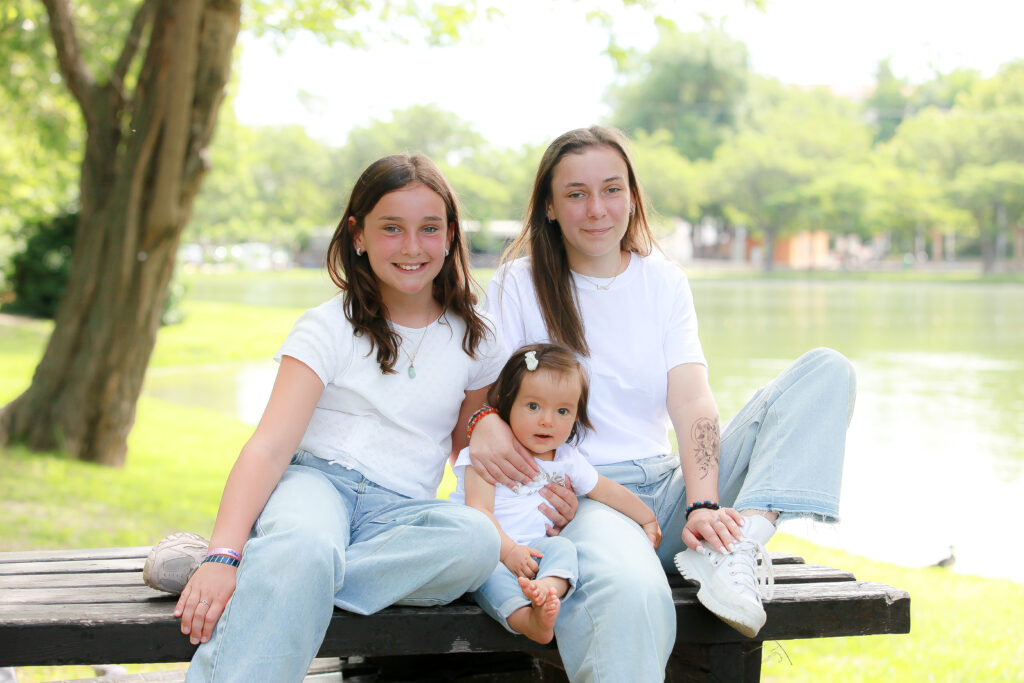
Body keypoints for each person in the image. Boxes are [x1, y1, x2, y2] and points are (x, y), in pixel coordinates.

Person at [469, 126, 856, 681]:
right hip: (586, 497)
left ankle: (737, 544)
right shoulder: (518, 284)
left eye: (612, 189)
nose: (597, 209)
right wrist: (534, 482)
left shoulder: (664, 281)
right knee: (634, 591)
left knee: (825, 371)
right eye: (576, 194)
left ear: (632, 197)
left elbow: (693, 402)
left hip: (668, 487)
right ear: (550, 207)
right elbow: (486, 406)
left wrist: (702, 506)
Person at [144, 154, 506, 682]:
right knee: (306, 544)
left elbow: (466, 447)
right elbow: (269, 446)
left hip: (399, 516)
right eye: (391, 228)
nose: (412, 246)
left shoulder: (477, 337)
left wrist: (487, 431)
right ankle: (275, 564)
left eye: (429, 228)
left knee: (476, 542)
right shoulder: (328, 327)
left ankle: (273, 572)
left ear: (450, 236)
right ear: (358, 235)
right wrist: (222, 553)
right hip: (317, 486)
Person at [450, 343, 661, 644]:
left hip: (536, 550)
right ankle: (527, 620)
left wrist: (648, 518)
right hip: (491, 549)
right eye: (533, 406)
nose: (547, 420)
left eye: (562, 411)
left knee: (564, 549)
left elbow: (607, 490)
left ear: (576, 416)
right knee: (489, 576)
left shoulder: (566, 459)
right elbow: (479, 511)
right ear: (507, 404)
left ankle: (548, 589)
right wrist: (508, 552)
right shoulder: (490, 455)